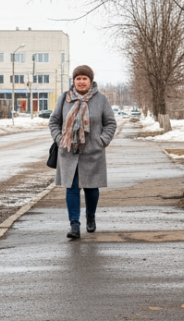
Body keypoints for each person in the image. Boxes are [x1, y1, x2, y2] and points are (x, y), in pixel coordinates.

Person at [49, 65, 117, 239]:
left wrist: (101, 141)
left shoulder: (101, 100)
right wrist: (60, 140)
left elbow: (110, 123)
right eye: (78, 78)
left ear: (90, 81)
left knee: (91, 190)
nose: (81, 82)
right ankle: (74, 225)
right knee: (71, 189)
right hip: (69, 152)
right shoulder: (65, 98)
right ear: (73, 81)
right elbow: (54, 122)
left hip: (92, 153)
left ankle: (90, 216)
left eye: (84, 78)